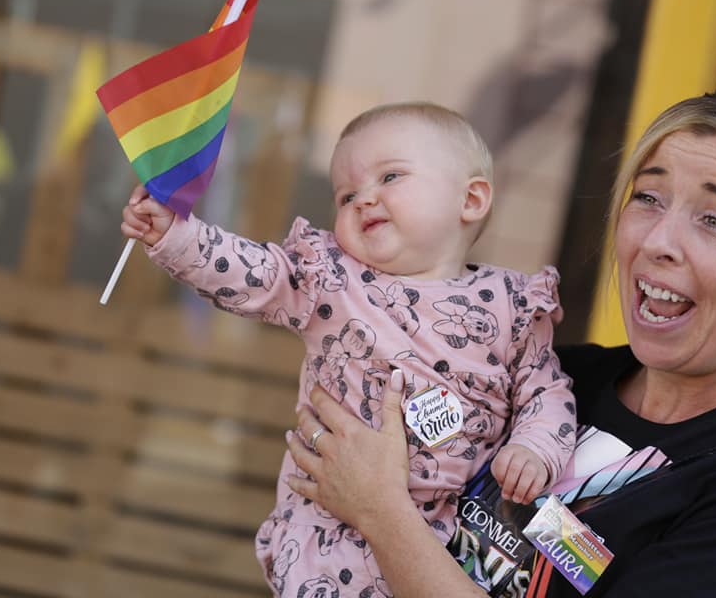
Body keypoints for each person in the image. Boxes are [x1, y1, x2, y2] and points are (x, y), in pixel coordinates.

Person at [287, 86, 716, 598]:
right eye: (647, 198)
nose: (658, 241)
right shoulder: (554, 376)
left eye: (714, 220)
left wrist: (382, 512)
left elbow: (374, 498)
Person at [121, 102, 576, 597]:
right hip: (331, 543)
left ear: (470, 200)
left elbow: (546, 392)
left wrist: (534, 449)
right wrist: (176, 235)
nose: (363, 200)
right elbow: (254, 273)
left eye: (391, 176)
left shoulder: (513, 305)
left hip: (447, 552)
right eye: (346, 195)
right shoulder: (333, 281)